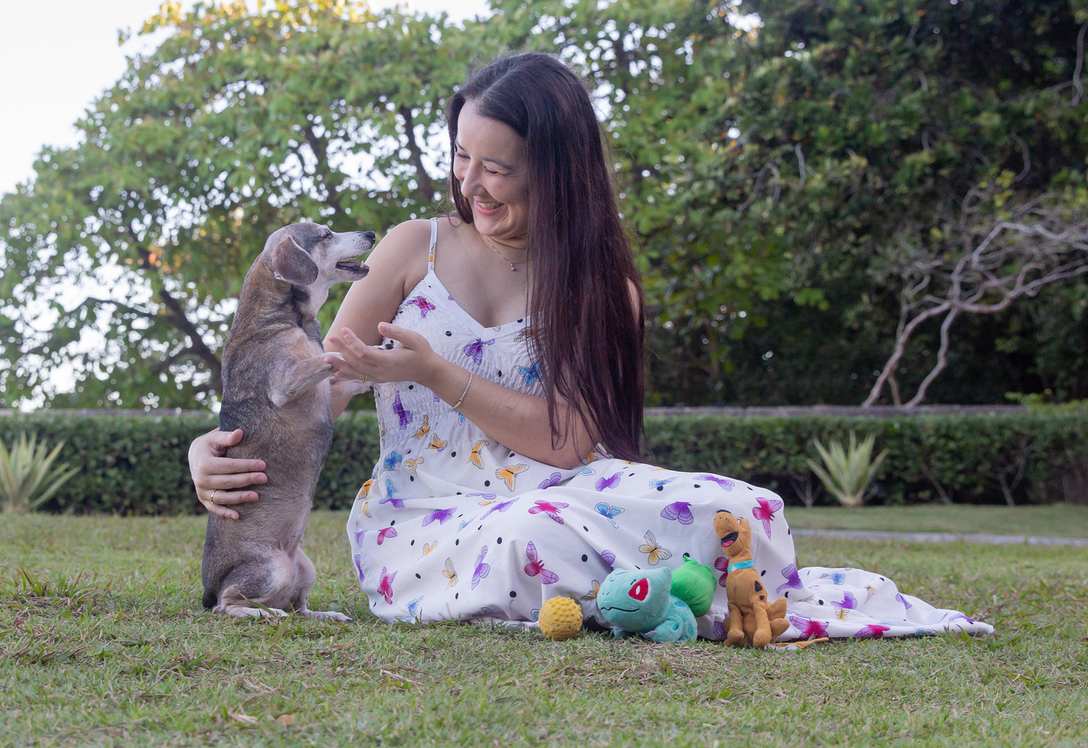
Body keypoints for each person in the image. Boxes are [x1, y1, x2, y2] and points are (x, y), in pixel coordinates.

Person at [189, 53, 993, 639]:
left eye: (497, 167)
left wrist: (435, 370)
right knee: (529, 536)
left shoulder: (604, 287)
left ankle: (663, 594)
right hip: (429, 515)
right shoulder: (411, 249)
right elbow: (313, 388)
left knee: (746, 511)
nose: (471, 183)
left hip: (571, 486)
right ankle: (661, 597)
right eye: (462, 157)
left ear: (558, 169)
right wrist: (206, 449)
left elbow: (569, 442)